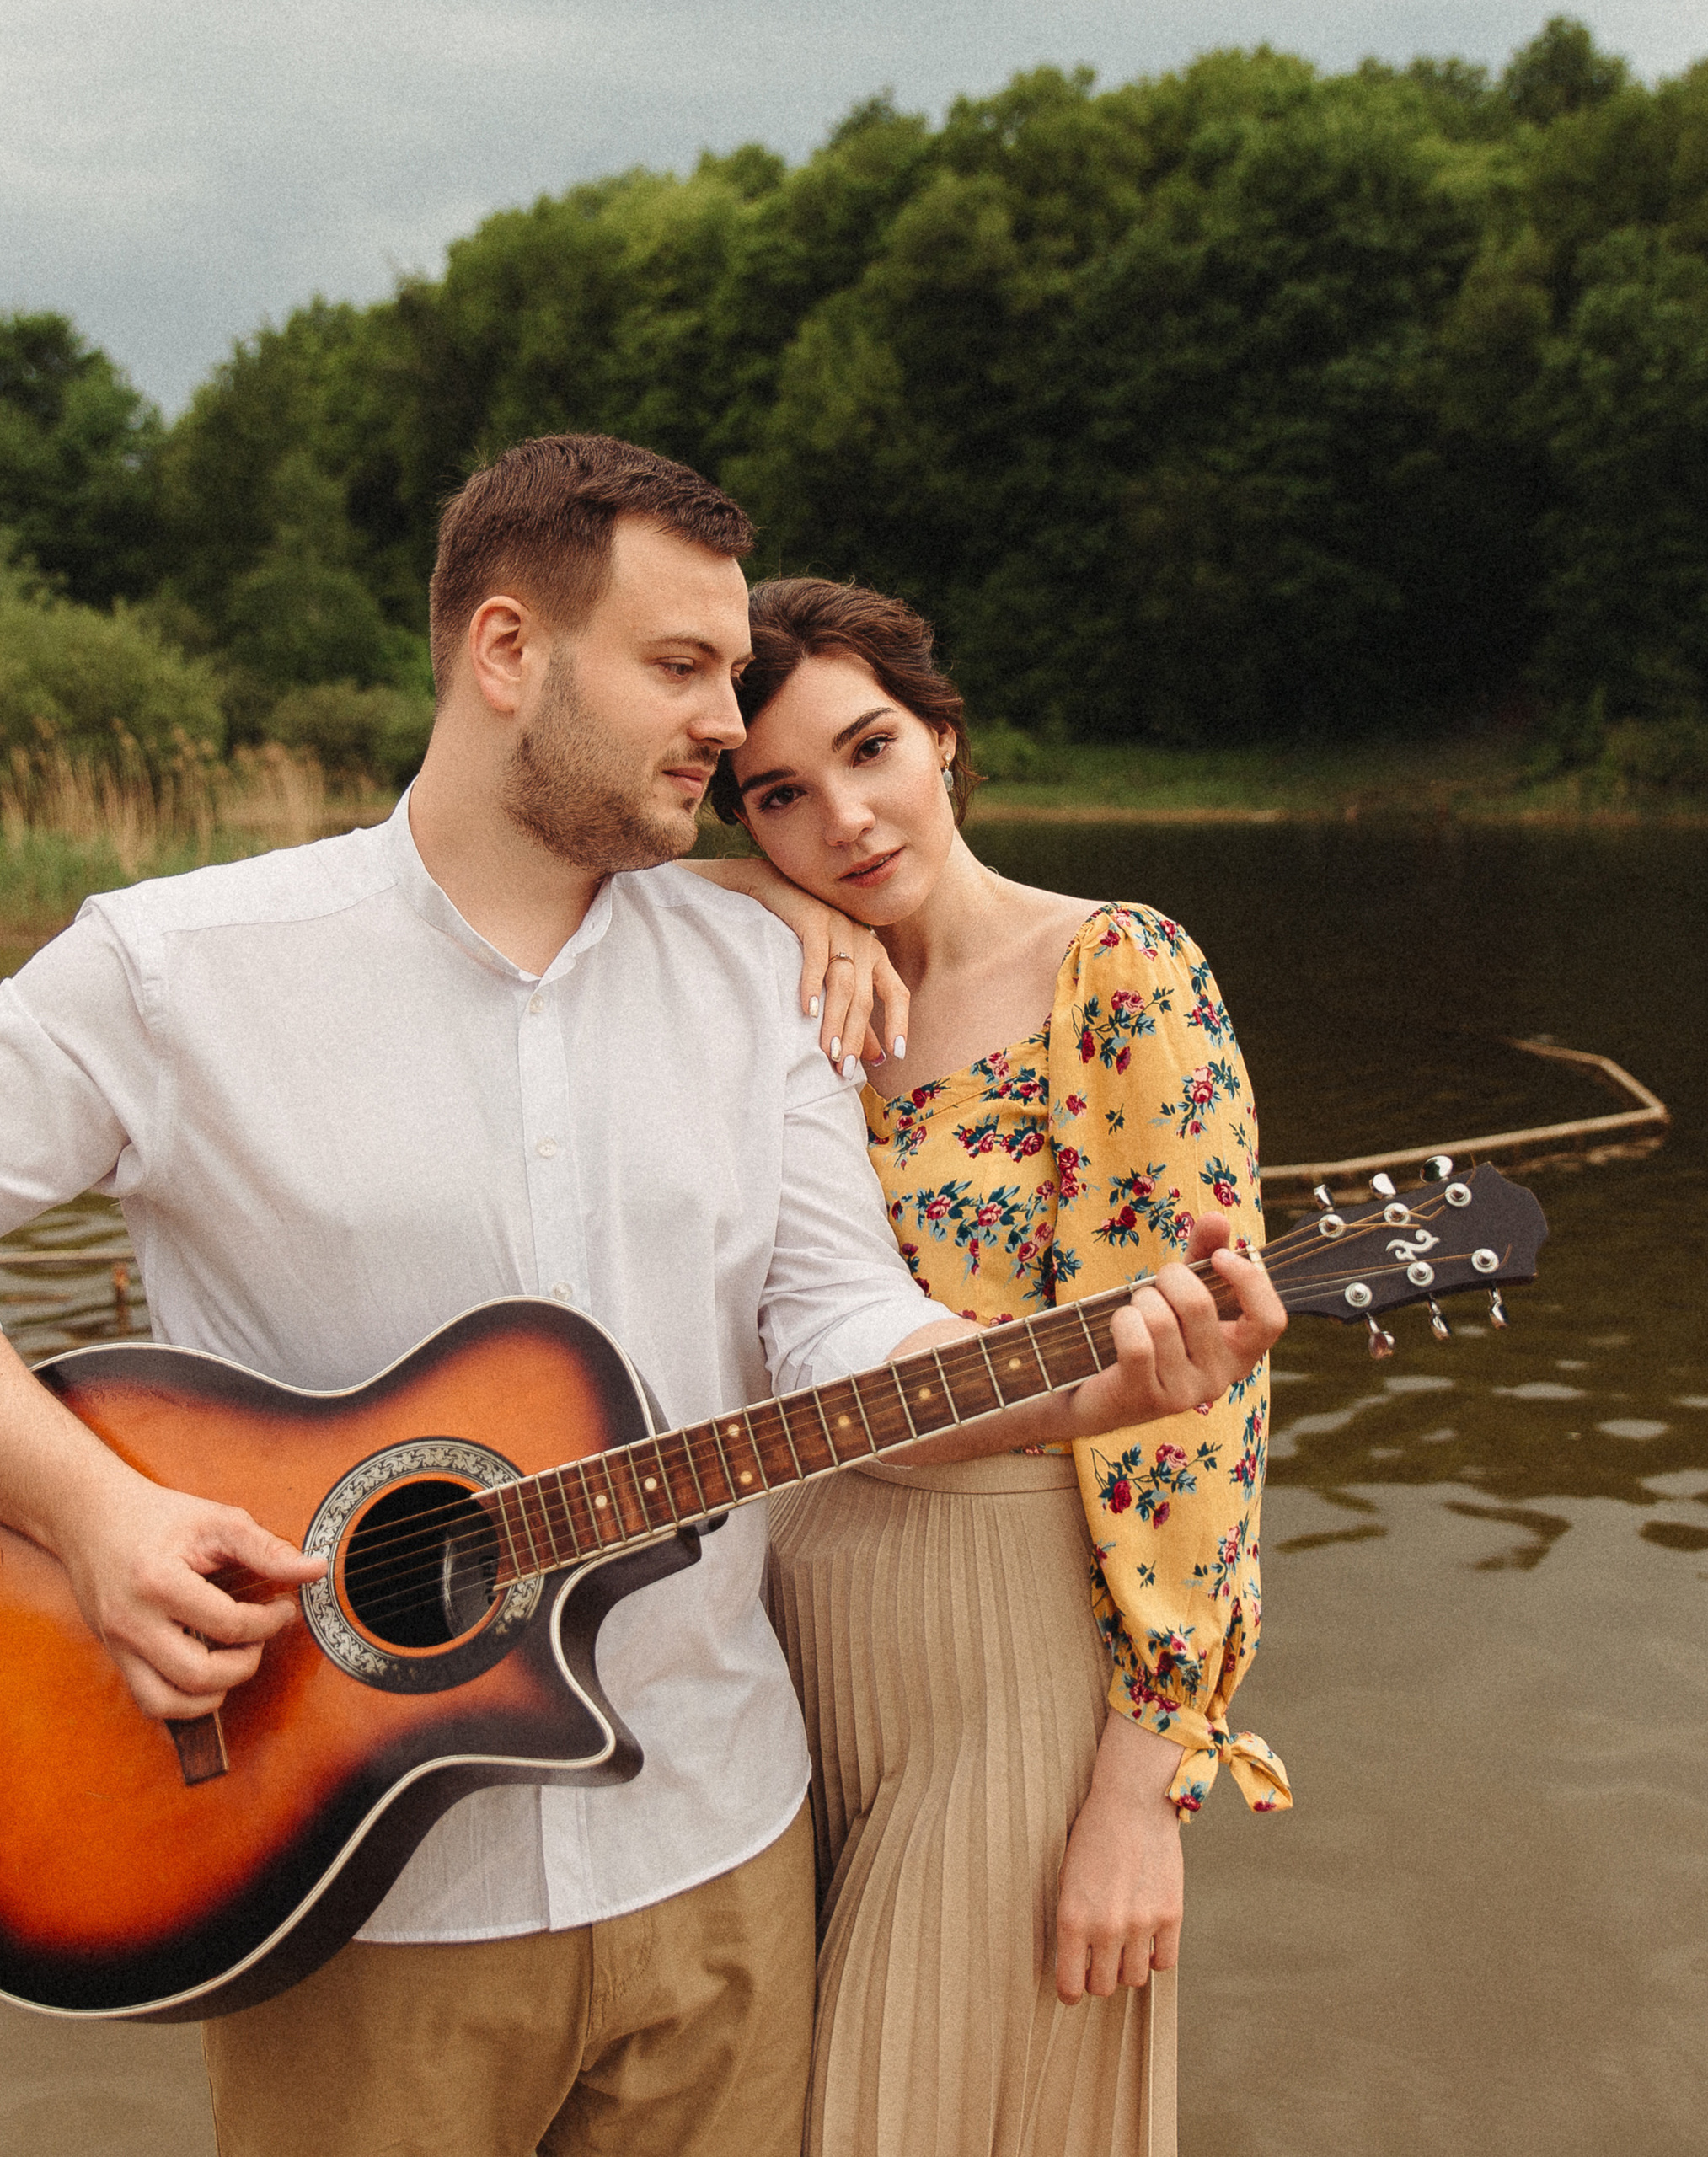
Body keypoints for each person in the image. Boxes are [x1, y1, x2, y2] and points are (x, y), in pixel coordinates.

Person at [0, 438, 1283, 2157]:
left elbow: (839, 1329)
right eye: (681, 667)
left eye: (729, 674)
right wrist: (89, 1513)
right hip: (352, 1893)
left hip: (724, 1858)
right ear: (508, 651)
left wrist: (1085, 1384)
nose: (719, 719)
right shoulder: (173, 971)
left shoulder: (761, 972)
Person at [693, 576, 1290, 2157]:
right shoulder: (783, 997)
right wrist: (776, 912)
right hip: (788, 1642)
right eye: (780, 798)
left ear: (944, 739)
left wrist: (1140, 1791)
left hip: (1003, 1648)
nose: (846, 816)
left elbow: (1201, 1415)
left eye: (871, 748)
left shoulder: (1115, 971)